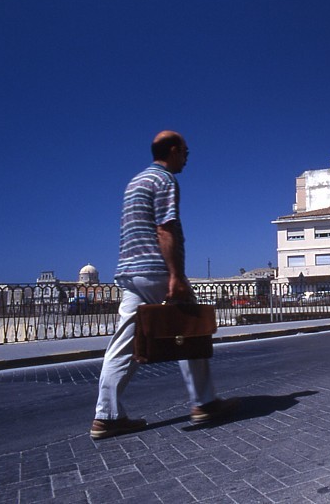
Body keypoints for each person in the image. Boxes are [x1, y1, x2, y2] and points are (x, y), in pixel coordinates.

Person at [91, 131, 238, 440]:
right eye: (185, 151)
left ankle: (106, 415)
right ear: (173, 151)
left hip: (130, 273)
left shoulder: (135, 182)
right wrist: (176, 276)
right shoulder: (165, 180)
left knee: (124, 345)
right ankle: (204, 402)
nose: (187, 156)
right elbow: (165, 228)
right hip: (157, 270)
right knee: (192, 329)